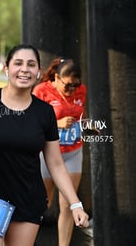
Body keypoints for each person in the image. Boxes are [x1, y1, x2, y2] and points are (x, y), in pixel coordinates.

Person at [0, 44, 89, 246]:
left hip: (28, 199)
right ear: (6, 68)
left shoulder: (44, 112)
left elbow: (55, 164)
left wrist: (75, 204)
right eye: (18, 63)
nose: (24, 69)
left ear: (38, 72)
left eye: (31, 64)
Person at [33, 57, 87, 246]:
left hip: (73, 151)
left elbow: (82, 115)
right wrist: (57, 124)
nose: (72, 90)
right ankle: (26, 239)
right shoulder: (41, 92)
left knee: (68, 204)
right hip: (49, 153)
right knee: (43, 203)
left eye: (76, 85)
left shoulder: (81, 90)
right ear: (57, 77)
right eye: (68, 86)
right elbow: (32, 123)